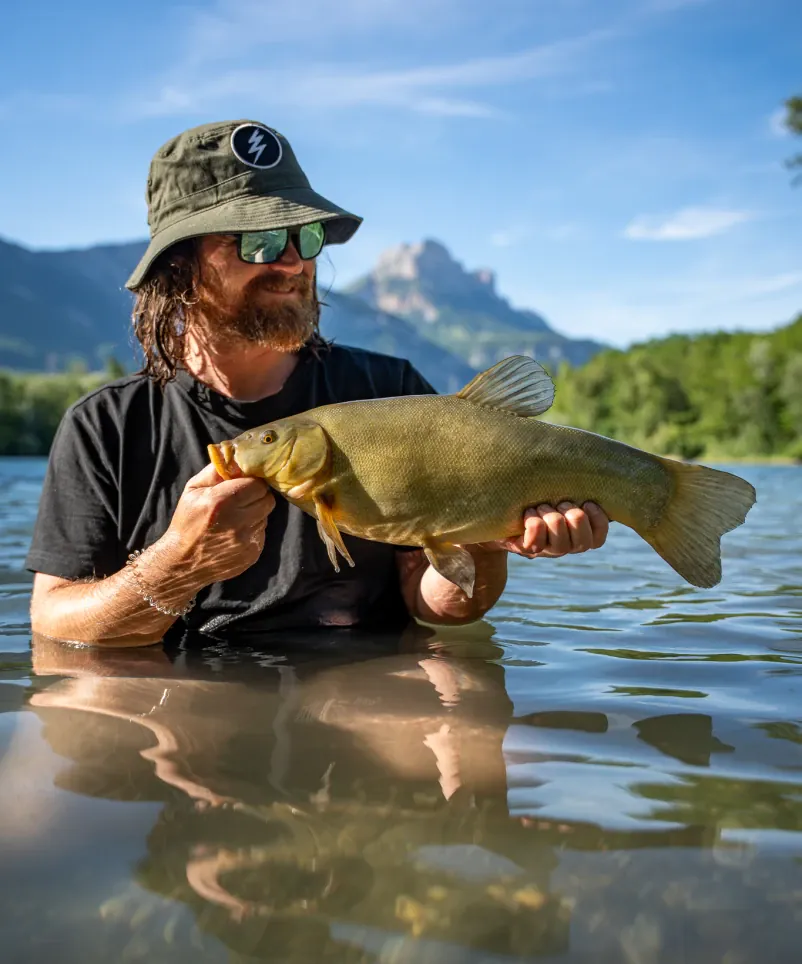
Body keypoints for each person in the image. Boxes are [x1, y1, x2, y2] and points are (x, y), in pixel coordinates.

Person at [26, 120, 608, 648]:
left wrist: (484, 543)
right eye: (258, 242)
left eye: (305, 238)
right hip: (182, 700)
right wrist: (179, 562)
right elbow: (54, 626)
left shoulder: (391, 388)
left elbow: (439, 608)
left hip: (369, 689)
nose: (292, 263)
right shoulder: (104, 426)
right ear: (179, 266)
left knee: (487, 749)